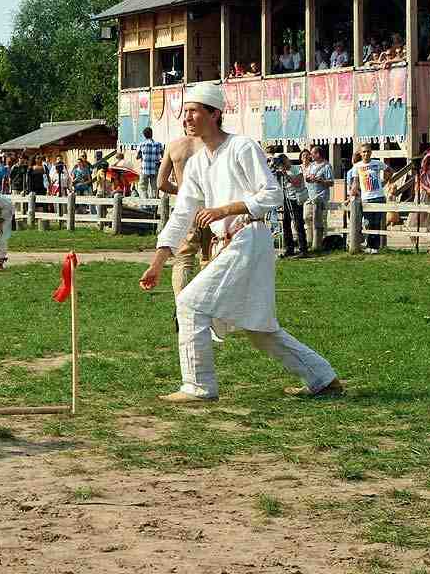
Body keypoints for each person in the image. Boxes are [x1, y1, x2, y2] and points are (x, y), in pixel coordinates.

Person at [138, 82, 343, 404]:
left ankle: (198, 386)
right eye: (185, 112)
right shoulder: (196, 163)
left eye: (193, 111)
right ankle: (323, 377)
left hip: (249, 238)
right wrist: (158, 262)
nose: (186, 118)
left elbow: (272, 194)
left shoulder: (242, 147)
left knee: (190, 303)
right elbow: (181, 216)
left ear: (214, 113)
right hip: (229, 243)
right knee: (259, 328)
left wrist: (225, 209)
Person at [155, 134, 207, 297]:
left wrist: (183, 191)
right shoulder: (212, 145)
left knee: (183, 259)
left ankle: (181, 303)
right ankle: (209, 306)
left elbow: (161, 183)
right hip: (210, 208)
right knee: (209, 258)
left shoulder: (174, 145)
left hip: (186, 208)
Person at [346, 143, 389, 253]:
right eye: (364, 152)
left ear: (371, 152)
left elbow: (389, 170)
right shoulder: (357, 166)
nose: (366, 154)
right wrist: (350, 197)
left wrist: (385, 182)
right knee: (368, 223)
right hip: (366, 198)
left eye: (368, 151)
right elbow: (355, 183)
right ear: (360, 154)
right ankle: (370, 246)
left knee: (377, 223)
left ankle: (375, 247)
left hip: (379, 197)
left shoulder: (377, 163)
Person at [272, 154, 308, 258]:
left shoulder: (297, 168)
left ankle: (303, 249)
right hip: (286, 199)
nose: (283, 166)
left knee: (298, 223)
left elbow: (297, 183)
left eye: (283, 163)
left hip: (296, 200)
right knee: (286, 224)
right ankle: (289, 248)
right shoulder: (280, 172)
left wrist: (286, 175)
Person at [302, 146, 333, 250]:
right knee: (307, 218)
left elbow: (331, 182)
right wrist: (308, 179)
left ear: (318, 154)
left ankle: (321, 243)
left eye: (312, 153)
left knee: (320, 221)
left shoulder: (327, 166)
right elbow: (306, 178)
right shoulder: (311, 166)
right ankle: (310, 241)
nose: (311, 155)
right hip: (310, 197)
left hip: (321, 198)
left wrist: (321, 181)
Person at [137, 126, 164, 199]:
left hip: (144, 169)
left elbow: (138, 156)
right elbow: (163, 155)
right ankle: (154, 205)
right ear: (152, 134)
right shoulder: (159, 144)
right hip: (155, 168)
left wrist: (143, 155)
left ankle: (145, 204)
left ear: (144, 135)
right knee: (154, 187)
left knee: (143, 187)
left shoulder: (141, 144)